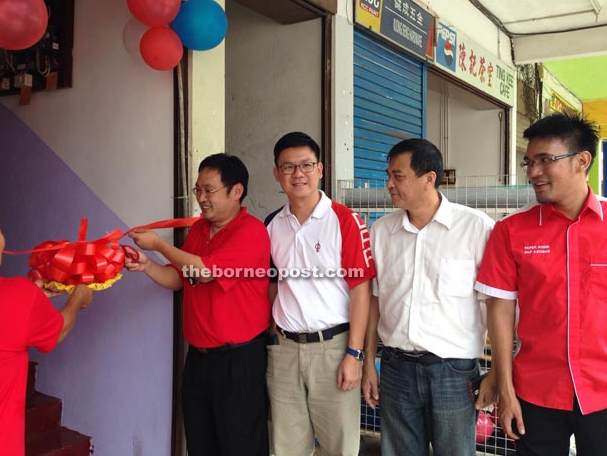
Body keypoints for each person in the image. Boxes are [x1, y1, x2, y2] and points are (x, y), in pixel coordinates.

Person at [476, 113, 607, 456]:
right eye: (529, 162)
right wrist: (505, 388)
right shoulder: (511, 231)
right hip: (536, 391)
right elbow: (500, 311)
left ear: (582, 161)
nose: (533, 172)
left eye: (545, 160)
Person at [124, 153, 271, 456]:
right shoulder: (198, 231)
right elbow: (179, 278)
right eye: (198, 190)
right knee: (201, 443)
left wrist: (160, 246)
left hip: (238, 361)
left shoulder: (251, 232)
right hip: (199, 361)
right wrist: (146, 264)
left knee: (240, 445)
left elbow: (205, 271)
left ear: (236, 191)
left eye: (209, 190)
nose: (201, 198)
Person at [361, 138, 496, 456]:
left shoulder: (476, 229)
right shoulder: (381, 232)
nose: (389, 184)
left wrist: (499, 373)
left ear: (429, 178)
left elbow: (495, 304)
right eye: (388, 176)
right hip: (395, 368)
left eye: (398, 176)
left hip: (454, 372)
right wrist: (369, 362)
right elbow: (375, 302)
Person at [0, 193, 93, 456]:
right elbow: (58, 330)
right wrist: (77, 301)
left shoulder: (18, 296)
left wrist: (32, 297)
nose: (3, 240)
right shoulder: (16, 296)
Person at [265, 131, 375, 456]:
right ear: (276, 173)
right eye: (288, 167)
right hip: (284, 351)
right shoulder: (272, 224)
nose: (298, 174)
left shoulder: (344, 221)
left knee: (339, 447)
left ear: (320, 169)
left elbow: (361, 290)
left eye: (306, 165)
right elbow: (272, 281)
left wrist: (354, 355)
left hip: (334, 349)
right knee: (286, 448)